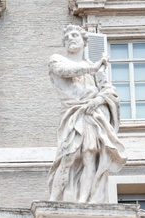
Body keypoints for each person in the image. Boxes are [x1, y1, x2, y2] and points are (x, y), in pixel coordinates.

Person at [47, 25, 127, 203]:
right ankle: (53, 200)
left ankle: (84, 201)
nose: (70, 39)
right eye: (66, 37)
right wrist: (93, 67)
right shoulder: (57, 60)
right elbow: (64, 72)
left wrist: (97, 101)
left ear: (84, 41)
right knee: (68, 155)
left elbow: (109, 91)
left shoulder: (94, 68)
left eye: (75, 35)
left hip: (91, 115)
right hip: (72, 114)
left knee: (90, 156)